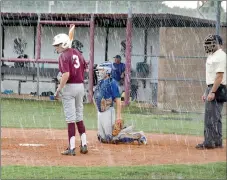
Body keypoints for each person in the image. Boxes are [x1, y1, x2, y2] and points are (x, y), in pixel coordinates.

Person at [93, 61, 147, 144]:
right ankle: (127, 128)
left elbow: (118, 100)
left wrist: (118, 117)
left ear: (107, 71)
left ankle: (139, 135)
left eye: (101, 70)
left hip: (108, 112)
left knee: (111, 139)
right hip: (100, 113)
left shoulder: (112, 82)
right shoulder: (100, 83)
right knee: (102, 138)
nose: (99, 72)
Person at [52, 33, 88, 156]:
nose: (56, 48)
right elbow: (85, 68)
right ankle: (84, 144)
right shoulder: (78, 53)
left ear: (64, 44)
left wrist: (58, 89)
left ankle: (72, 148)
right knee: (79, 116)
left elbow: (66, 74)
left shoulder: (63, 56)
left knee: (70, 119)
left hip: (69, 87)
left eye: (57, 45)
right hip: (80, 86)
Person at [196, 34, 226, 149]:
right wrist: (206, 91)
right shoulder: (212, 56)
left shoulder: (221, 56)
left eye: (211, 43)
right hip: (213, 87)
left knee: (210, 116)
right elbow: (211, 77)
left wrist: (212, 92)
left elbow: (219, 76)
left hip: (217, 87)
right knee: (216, 117)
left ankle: (209, 142)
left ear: (218, 44)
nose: (209, 45)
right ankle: (217, 141)